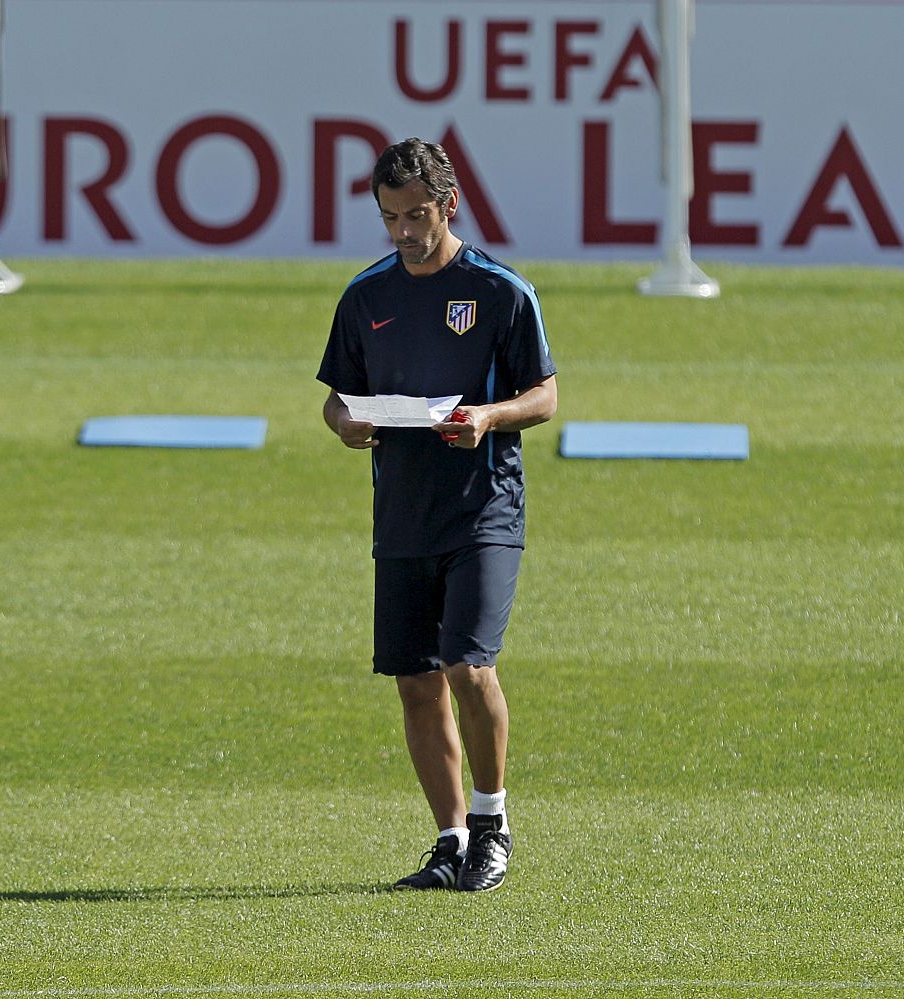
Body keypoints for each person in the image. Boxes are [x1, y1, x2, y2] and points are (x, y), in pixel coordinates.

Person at [316, 138, 558, 893]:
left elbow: (546, 396)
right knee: (416, 681)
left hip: (483, 504)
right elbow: (335, 397)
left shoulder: (500, 290)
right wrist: (346, 424)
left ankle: (493, 823)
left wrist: (489, 416)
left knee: (467, 664)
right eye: (390, 217)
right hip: (402, 515)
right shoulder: (366, 297)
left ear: (449, 205)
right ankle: (450, 840)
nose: (403, 232)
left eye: (417, 215)